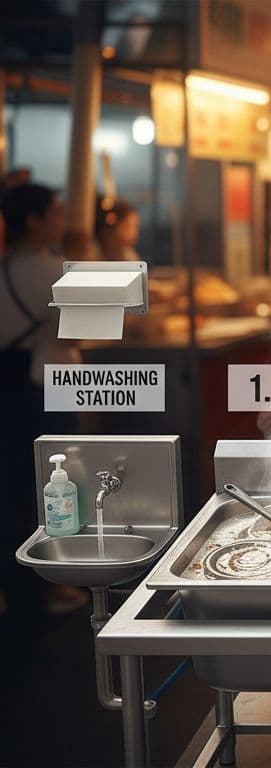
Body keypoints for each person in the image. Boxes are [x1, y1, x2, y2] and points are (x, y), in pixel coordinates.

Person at [0, 183, 83, 617]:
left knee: (8, 486)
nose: (60, 220)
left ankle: (8, 589)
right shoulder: (53, 271)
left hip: (8, 386)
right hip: (50, 386)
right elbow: (80, 330)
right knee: (52, 488)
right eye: (54, 212)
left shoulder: (5, 268)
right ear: (32, 221)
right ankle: (53, 586)